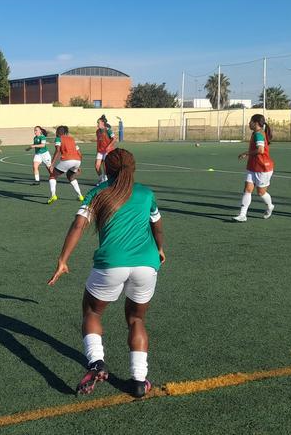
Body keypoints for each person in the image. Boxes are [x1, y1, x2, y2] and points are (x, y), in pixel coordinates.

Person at [47, 148, 165, 399]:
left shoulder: (98, 193)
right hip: (147, 264)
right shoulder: (146, 194)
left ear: (106, 169)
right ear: (133, 169)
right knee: (136, 320)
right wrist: (161, 249)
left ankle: (97, 363)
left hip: (111, 264)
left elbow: (79, 224)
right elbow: (157, 225)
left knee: (92, 311)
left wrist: (62, 260)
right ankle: (139, 381)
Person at [233, 114, 275, 222]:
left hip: (263, 167)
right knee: (247, 189)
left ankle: (270, 206)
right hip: (252, 166)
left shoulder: (259, 134)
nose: (248, 124)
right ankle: (243, 215)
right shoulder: (255, 133)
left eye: (250, 121)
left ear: (256, 123)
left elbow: (260, 150)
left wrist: (246, 153)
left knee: (261, 192)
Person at [48, 126, 84, 204]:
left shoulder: (58, 138)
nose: (56, 133)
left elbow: (57, 151)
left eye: (57, 131)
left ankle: (53, 195)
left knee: (52, 175)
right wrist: (78, 166)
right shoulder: (72, 139)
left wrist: (52, 164)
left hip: (68, 160)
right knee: (70, 176)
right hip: (77, 160)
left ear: (58, 132)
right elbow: (80, 154)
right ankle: (80, 195)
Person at [94, 115, 117, 183]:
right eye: (97, 122)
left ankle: (106, 179)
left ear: (103, 123)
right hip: (100, 151)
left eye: (98, 122)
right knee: (97, 166)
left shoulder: (108, 130)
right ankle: (101, 179)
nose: (97, 124)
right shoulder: (97, 131)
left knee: (105, 166)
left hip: (107, 150)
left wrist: (109, 146)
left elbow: (114, 138)